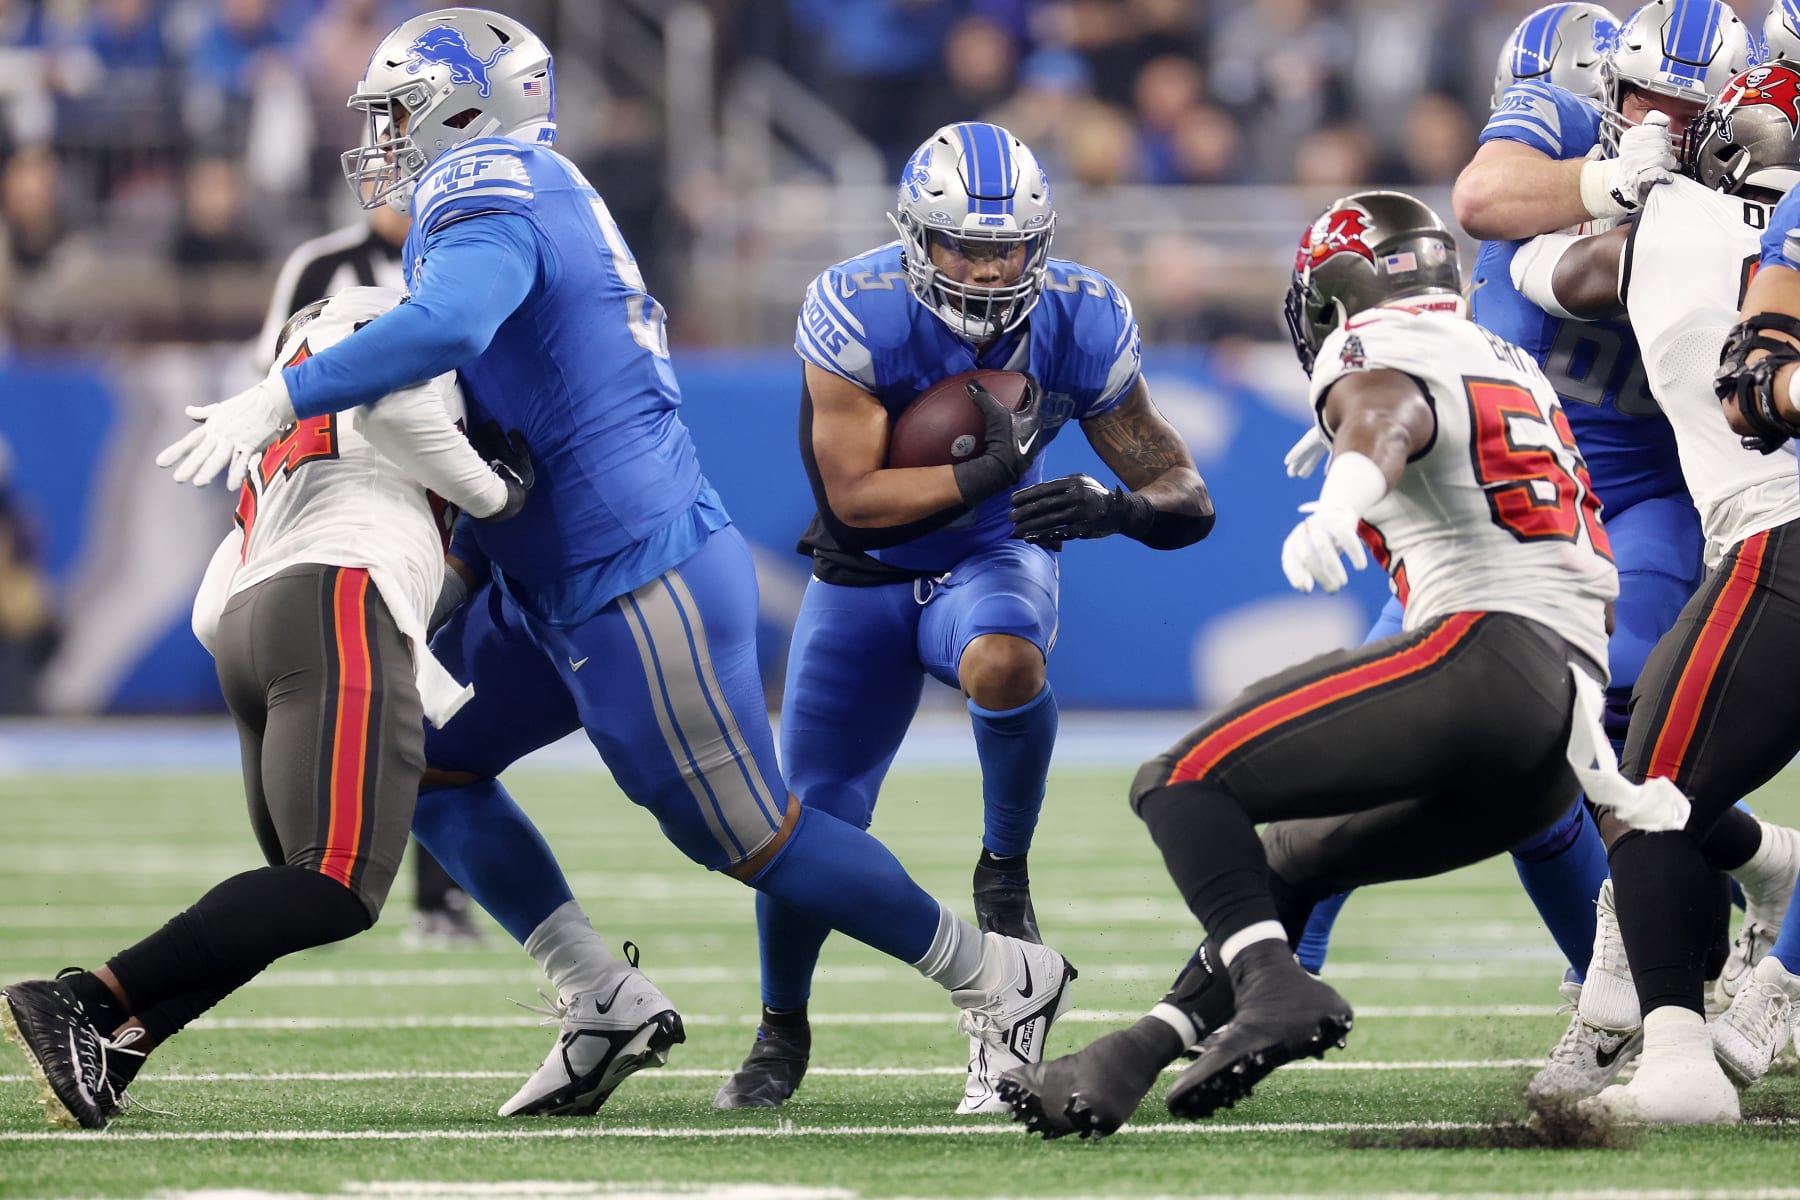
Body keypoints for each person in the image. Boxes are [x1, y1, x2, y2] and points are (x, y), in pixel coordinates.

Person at [154, 8, 1076, 1119]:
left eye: (400, 112)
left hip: (632, 574)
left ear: (464, 110)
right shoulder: (524, 183)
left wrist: (286, 391)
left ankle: (1000, 977)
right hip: (553, 576)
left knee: (749, 836)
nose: (383, 137)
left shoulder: (485, 181)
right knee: (427, 761)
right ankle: (599, 996)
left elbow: (452, 325)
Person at [998, 189, 1687, 1140]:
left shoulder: (1371, 351)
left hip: (1488, 656)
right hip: (1553, 735)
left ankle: (1276, 988)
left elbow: (1389, 416)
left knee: (1180, 781)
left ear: (1340, 294)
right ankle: (1134, 1054)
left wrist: (1341, 496)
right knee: (1289, 859)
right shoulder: (1508, 359)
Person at [1293, 0, 1767, 1103]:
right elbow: (1483, 199)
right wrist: (1610, 185)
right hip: (1506, 494)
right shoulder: (1567, 129)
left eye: (1681, 108)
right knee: (1364, 729)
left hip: (1648, 503)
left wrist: (1686, 210)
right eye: (1635, 101)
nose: (1654, 121)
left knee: (1582, 733)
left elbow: (1602, 274)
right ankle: (1270, 977)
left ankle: (1649, 977)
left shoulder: (1742, 175)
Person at [714, 121, 1214, 1115]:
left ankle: (1003, 873)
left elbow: (1185, 495)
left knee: (1006, 660)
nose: (989, 268)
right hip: (865, 573)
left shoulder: (1081, 316)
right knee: (809, 819)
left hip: (994, 555)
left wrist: (1117, 510)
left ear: (1042, 242)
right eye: (964, 245)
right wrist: (986, 470)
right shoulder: (857, 306)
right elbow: (854, 499)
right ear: (916, 237)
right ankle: (781, 1026)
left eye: (1010, 248)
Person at [0, 285, 531, 1130]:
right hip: (334, 600)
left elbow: (220, 596)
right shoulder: (388, 327)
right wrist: (495, 496)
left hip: (254, 621)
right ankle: (85, 999)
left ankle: (122, 1042)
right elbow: (396, 411)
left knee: (291, 890)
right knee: (335, 885)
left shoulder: (293, 400)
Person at [1512, 65, 1800, 1122]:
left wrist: (1604, 187)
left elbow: (1524, 264)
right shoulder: (1732, 229)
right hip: (1758, 524)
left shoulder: (1669, 223)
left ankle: (1677, 1051)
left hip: (1779, 535)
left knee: (1650, 790)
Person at [255, 202, 478, 945]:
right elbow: (276, 387)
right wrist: (497, 494)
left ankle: (431, 895)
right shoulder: (324, 267)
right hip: (350, 520)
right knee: (398, 709)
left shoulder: (467, 261)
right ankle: (311, 880)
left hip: (410, 519)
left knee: (434, 708)